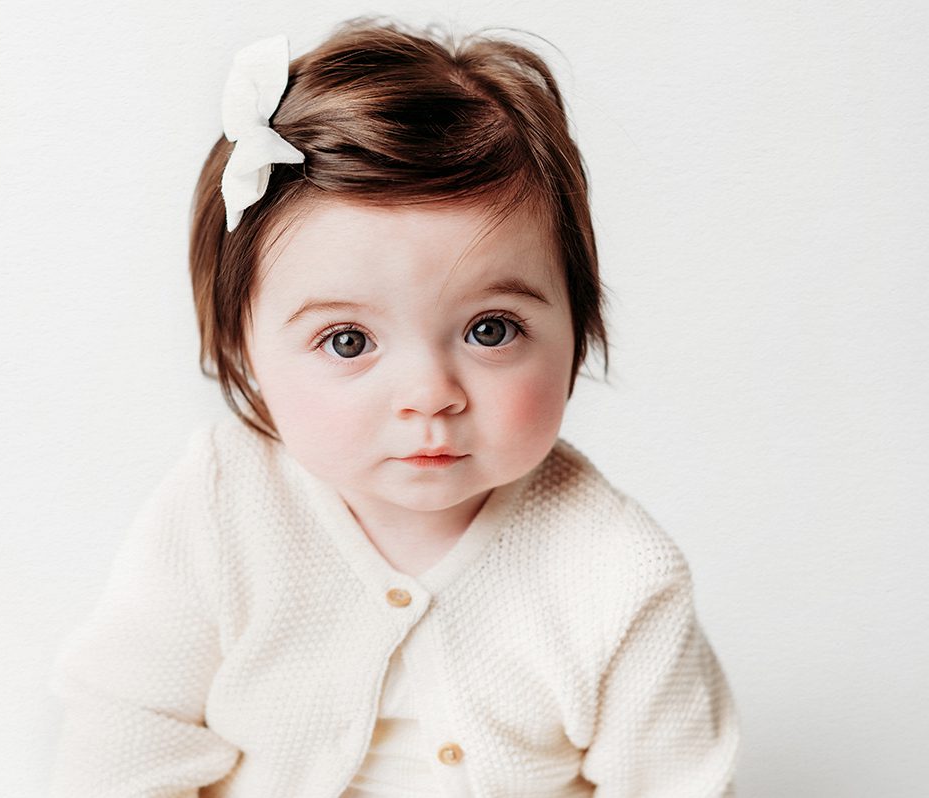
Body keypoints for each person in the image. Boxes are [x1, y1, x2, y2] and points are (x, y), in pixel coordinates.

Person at [47, 16, 741, 798]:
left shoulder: (618, 568)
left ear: (577, 328)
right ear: (244, 346)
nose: (430, 395)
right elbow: (127, 732)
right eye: (348, 341)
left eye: (490, 330)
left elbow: (677, 781)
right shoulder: (223, 505)